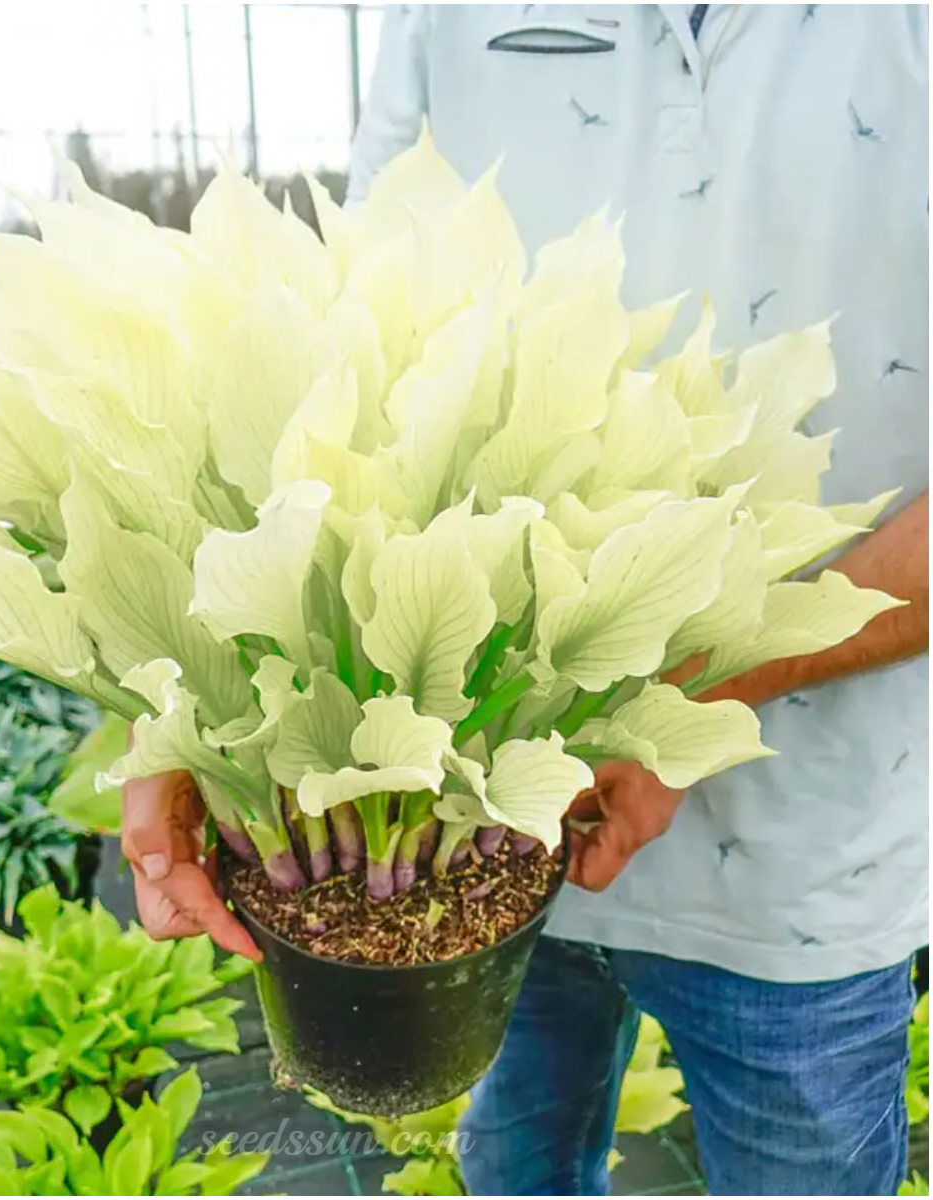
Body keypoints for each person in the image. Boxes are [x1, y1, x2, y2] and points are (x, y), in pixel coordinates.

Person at [122, 5, 930, 1194]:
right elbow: (342, 383)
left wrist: (682, 699)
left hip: (812, 860)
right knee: (512, 1170)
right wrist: (194, 714)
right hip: (469, 848)